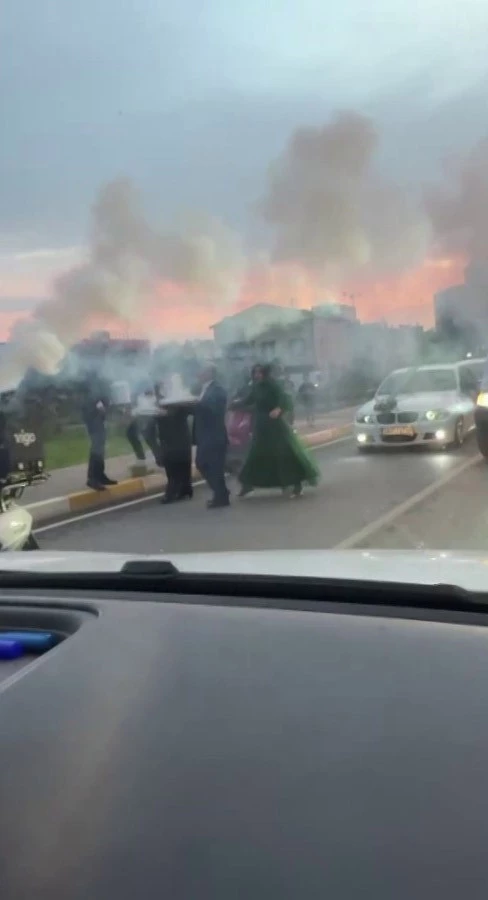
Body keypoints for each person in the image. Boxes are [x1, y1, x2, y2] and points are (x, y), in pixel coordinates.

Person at [236, 364, 319, 498]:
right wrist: (233, 404)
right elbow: (248, 400)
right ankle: (247, 485)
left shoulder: (274, 385)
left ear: (265, 373)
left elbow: (284, 399)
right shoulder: (256, 387)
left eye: (259, 372)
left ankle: (297, 485)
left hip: (275, 425)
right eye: (255, 372)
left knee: (285, 454)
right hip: (261, 426)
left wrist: (279, 409)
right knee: (255, 455)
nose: (256, 375)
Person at [193, 365, 230, 509]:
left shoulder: (218, 389)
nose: (199, 374)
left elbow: (214, 410)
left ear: (210, 373)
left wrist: (197, 404)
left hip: (214, 435)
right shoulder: (204, 389)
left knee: (212, 466)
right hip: (205, 435)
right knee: (204, 464)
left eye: (202, 371)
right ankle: (221, 493)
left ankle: (221, 495)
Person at [81, 372, 117, 491]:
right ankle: (92, 478)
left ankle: (100, 475)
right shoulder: (90, 374)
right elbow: (90, 392)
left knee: (100, 446)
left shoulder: (96, 374)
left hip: (96, 414)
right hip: (93, 414)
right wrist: (98, 403)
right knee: (97, 446)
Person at [156, 393, 193, 505]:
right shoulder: (158, 407)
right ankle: (184, 490)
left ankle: (173, 492)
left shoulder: (179, 404)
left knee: (178, 467)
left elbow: (190, 409)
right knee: (175, 467)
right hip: (170, 441)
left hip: (178, 440)